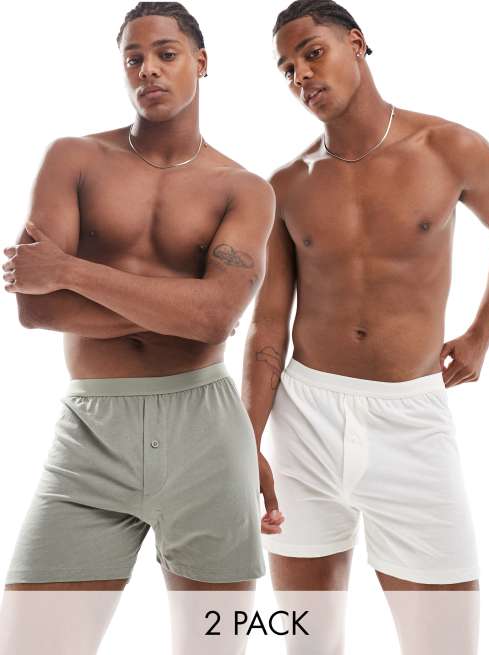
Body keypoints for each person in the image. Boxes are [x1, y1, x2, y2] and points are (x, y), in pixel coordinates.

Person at [0, 2, 274, 653]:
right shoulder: (74, 158)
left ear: (200, 63)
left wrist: (69, 270)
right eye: (133, 58)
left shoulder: (243, 188)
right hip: (93, 431)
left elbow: (216, 317)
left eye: (165, 54)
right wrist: (186, 308)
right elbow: (36, 308)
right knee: (31, 642)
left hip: (207, 431)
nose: (147, 68)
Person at [242, 1, 489, 652]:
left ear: (356, 44)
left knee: (446, 643)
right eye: (286, 69)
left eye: (312, 53)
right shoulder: (285, 186)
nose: (301, 75)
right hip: (304, 421)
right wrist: (243, 441)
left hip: (410, 420)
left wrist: (480, 333)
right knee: (309, 641)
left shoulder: (448, 147)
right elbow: (267, 329)